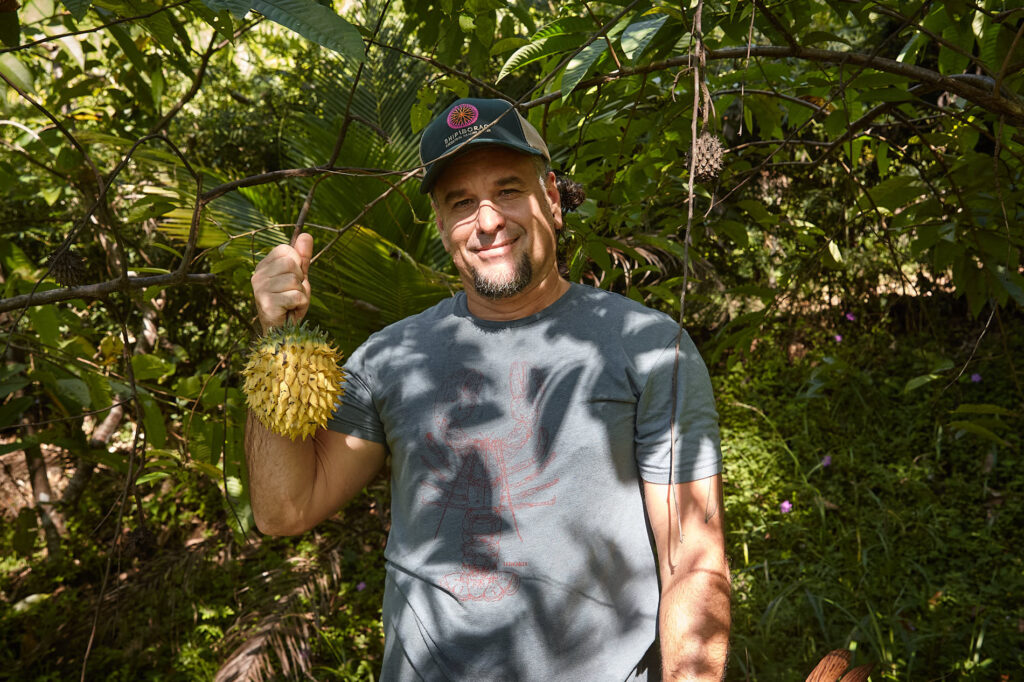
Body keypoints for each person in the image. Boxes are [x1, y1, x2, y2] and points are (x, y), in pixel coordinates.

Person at [246, 98, 731, 680]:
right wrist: (277, 338)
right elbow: (283, 509)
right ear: (441, 223)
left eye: (507, 191)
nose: (488, 220)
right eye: (460, 202)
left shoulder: (647, 347)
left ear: (551, 197)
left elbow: (694, 560)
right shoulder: (389, 358)